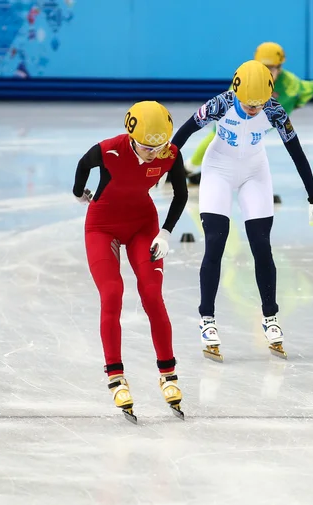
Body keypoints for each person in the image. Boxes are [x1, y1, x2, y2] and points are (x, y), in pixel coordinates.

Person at [170, 59, 313, 362]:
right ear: (237, 91)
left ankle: (270, 318)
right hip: (218, 170)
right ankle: (207, 320)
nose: (255, 109)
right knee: (215, 242)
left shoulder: (275, 110)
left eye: (260, 104)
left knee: (261, 246)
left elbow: (297, 153)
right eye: (249, 104)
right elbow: (183, 134)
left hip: (256, 172)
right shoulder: (221, 103)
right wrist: (163, 168)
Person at [73, 101, 188, 422]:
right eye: (146, 146)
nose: (154, 153)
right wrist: (77, 192)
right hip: (102, 227)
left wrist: (165, 232)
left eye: (160, 146)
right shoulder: (109, 150)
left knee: (152, 294)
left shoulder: (169, 154)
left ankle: (168, 374)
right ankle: (115, 375)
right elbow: (83, 163)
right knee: (112, 294)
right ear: (130, 135)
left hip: (143, 226)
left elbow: (181, 194)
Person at [182, 42, 313, 185]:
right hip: (238, 120)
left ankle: (254, 184)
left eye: (271, 68)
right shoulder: (244, 79)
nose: (266, 72)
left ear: (280, 68)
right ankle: (189, 167)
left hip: (262, 121)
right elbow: (230, 99)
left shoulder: (290, 84)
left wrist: (297, 103)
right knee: (216, 136)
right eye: (262, 67)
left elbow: (312, 88)